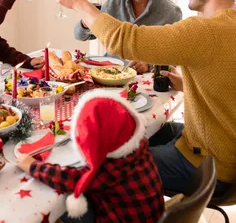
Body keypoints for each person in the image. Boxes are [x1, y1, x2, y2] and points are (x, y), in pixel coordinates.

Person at [51, 0, 236, 196]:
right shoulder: (229, 25)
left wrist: (79, 4)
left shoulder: (205, 31)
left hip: (207, 165)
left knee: (102, 169)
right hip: (219, 150)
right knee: (141, 132)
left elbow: (126, 40)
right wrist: (183, 85)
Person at [17, 89, 164, 222]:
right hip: (154, 217)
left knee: (57, 206)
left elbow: (70, 179)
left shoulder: (111, 170)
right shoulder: (138, 145)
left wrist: (32, 165)